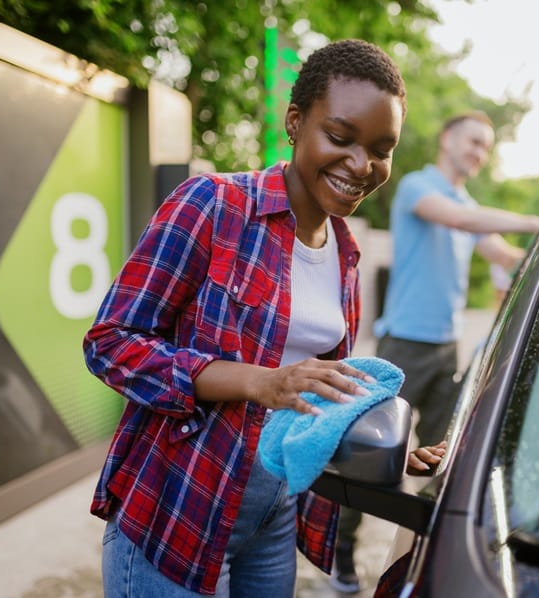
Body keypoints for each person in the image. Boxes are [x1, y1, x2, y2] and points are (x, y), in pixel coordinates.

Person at [83, 39, 444, 598]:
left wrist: (385, 452)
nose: (361, 165)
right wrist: (259, 381)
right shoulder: (213, 204)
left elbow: (313, 399)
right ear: (295, 122)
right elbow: (110, 343)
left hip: (273, 516)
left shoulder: (346, 251)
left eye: (381, 148)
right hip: (179, 510)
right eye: (341, 137)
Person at [332, 111, 539, 592]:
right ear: (447, 138)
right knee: (371, 456)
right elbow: (462, 220)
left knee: (452, 456)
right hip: (403, 346)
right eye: (473, 142)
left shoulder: (466, 200)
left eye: (486, 147)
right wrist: (537, 220)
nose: (478, 153)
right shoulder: (417, 187)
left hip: (447, 350)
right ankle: (342, 553)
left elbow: (502, 253)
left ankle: (427, 553)